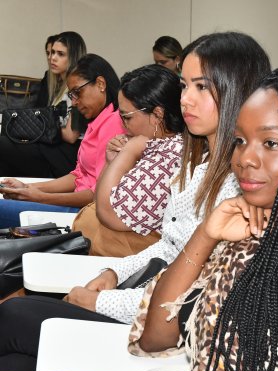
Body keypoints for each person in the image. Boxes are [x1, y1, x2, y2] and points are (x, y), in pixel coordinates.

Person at [2, 68, 278, 371]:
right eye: (241, 141)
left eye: (271, 143)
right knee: (14, 366)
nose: (245, 158)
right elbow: (157, 334)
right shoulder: (248, 227)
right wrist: (206, 235)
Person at [0, 31, 271, 371]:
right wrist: (115, 272)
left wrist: (102, 301)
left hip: (160, 337)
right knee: (16, 359)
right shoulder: (199, 165)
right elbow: (166, 250)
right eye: (184, 85)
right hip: (140, 298)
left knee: (14, 316)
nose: (185, 99)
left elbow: (187, 296)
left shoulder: (241, 185)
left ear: (237, 88)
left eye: (201, 87)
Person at [0, 53, 124, 229]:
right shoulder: (99, 120)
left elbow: (95, 195)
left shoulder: (113, 123)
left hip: (84, 212)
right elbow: (78, 176)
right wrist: (28, 188)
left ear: (101, 84)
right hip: (76, 204)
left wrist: (37, 195)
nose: (74, 102)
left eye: (77, 93)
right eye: (72, 95)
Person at [72, 64, 185, 257]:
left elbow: (107, 213)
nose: (123, 126)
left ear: (157, 115)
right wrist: (111, 161)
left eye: (126, 118)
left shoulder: (169, 156)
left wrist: (129, 152)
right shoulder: (155, 146)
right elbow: (98, 197)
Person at [0, 31, 87, 178]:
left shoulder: (79, 88)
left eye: (60, 54)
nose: (52, 58)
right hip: (50, 147)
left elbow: (71, 135)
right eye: (52, 52)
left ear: (73, 57)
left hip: (63, 156)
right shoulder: (56, 85)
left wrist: (41, 126)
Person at [35, 34, 57, 107]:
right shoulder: (48, 76)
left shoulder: (72, 80)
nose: (50, 57)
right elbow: (39, 107)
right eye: (48, 53)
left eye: (53, 52)